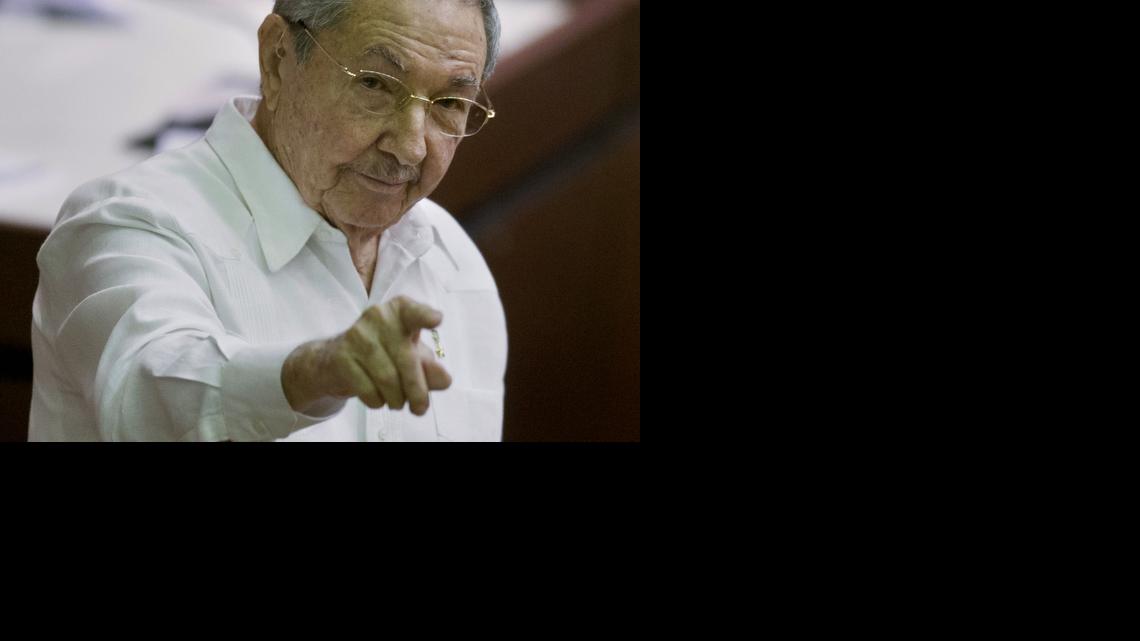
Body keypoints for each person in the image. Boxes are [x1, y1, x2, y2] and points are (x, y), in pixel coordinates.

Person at [28, 0, 508, 441]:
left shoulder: (452, 259)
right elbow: (149, 395)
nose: (411, 146)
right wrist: (311, 374)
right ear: (278, 59)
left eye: (448, 104)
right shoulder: (126, 224)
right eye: (374, 84)